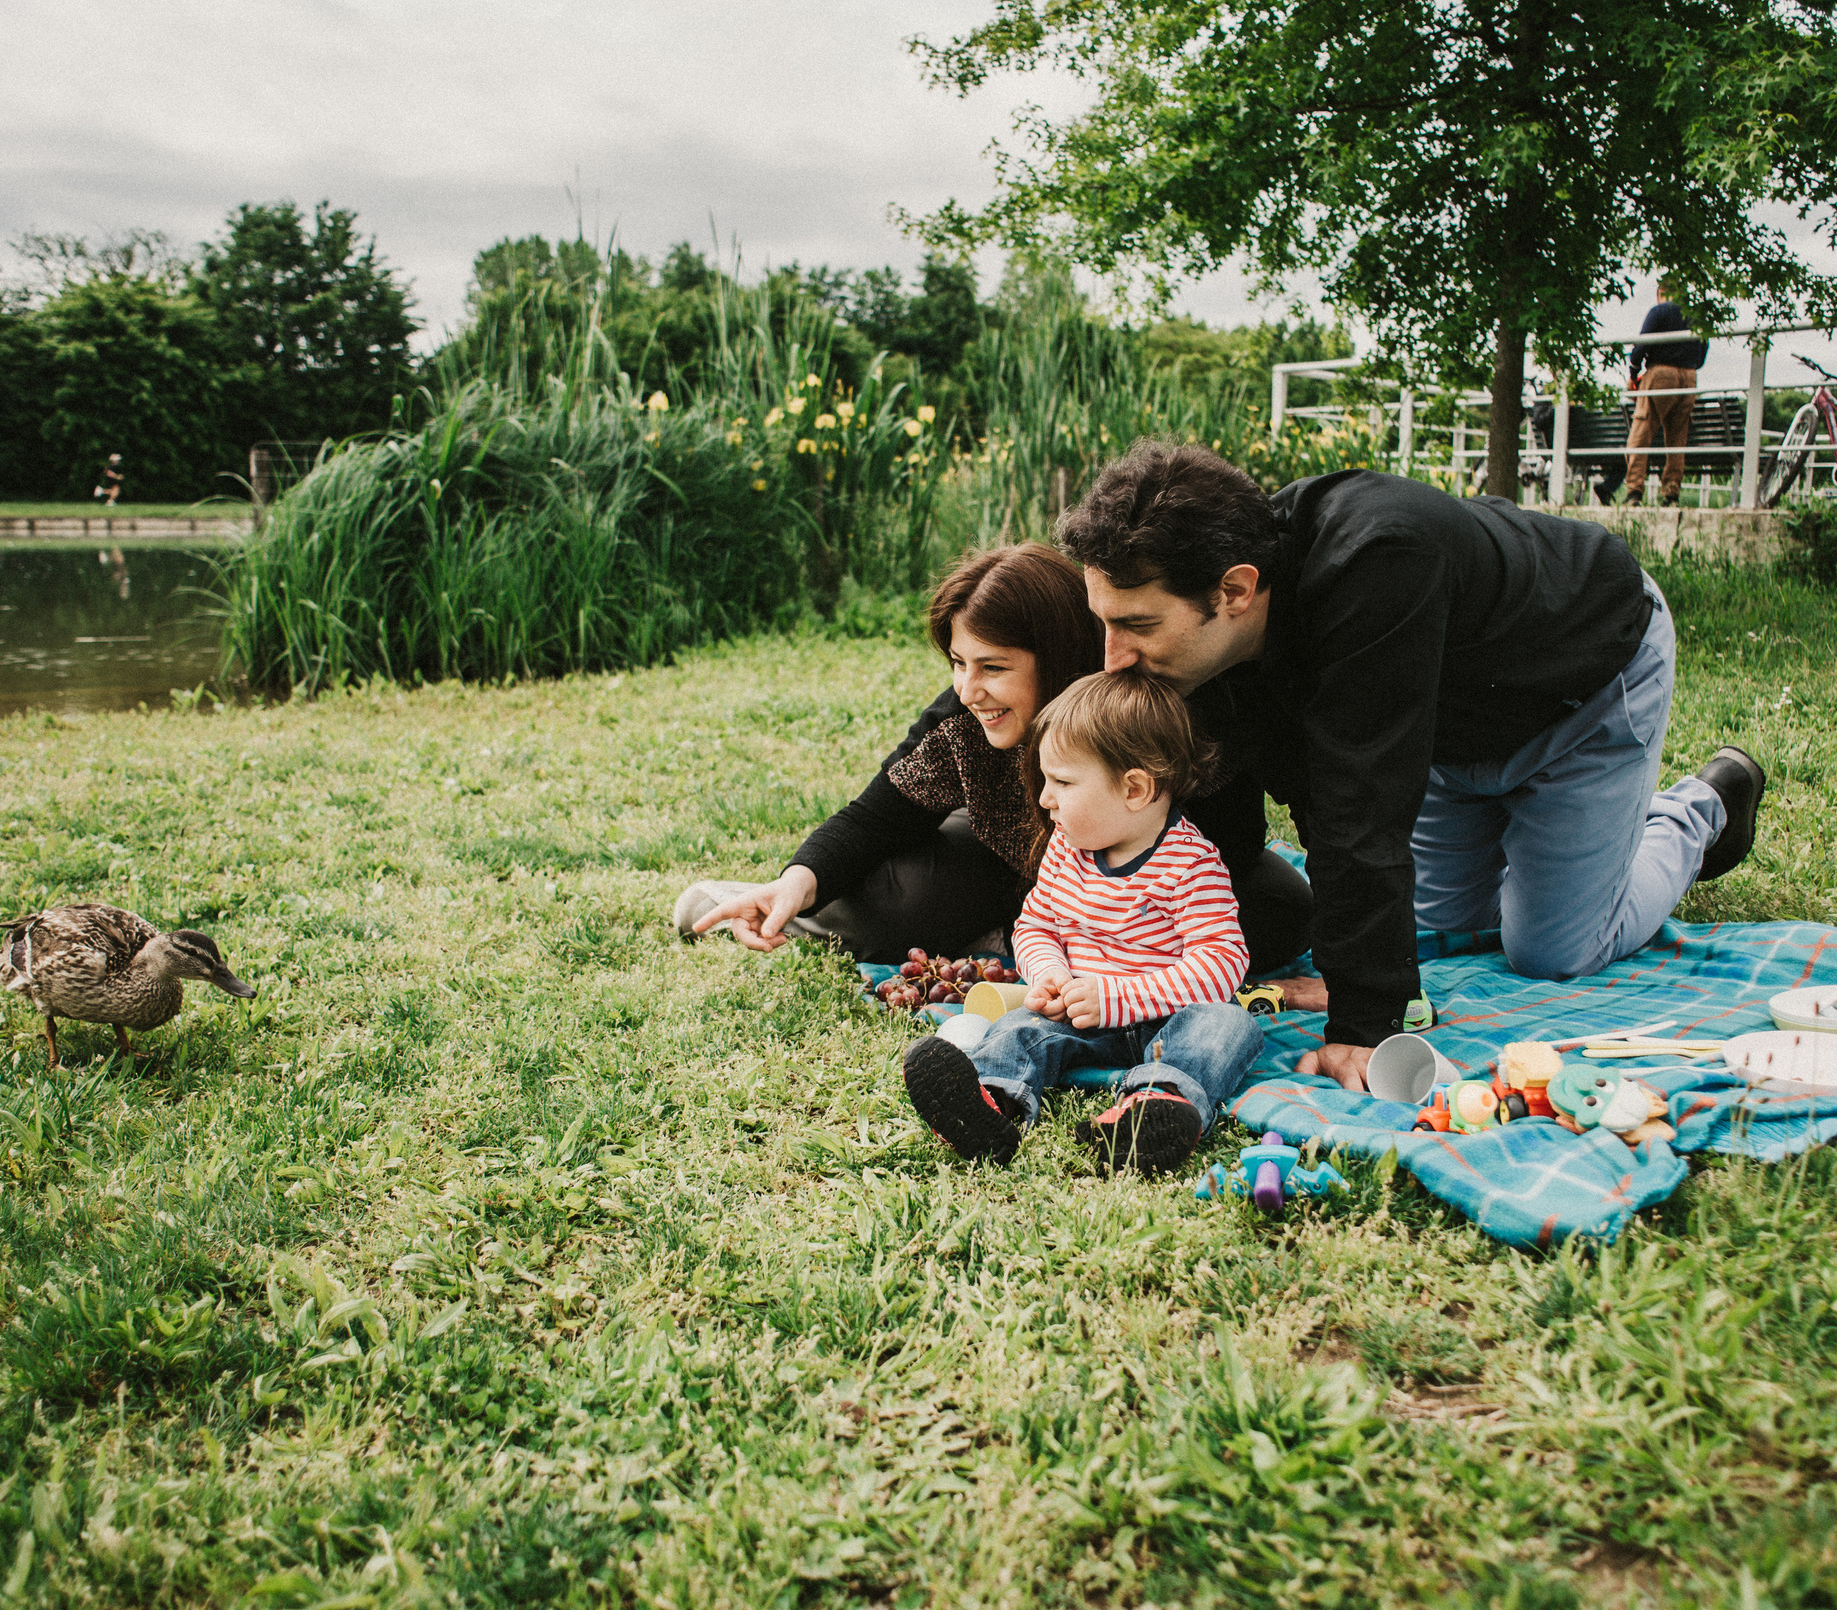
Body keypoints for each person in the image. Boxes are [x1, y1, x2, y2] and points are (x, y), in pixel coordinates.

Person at [1057, 441, 1767, 1095]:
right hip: (1443, 739)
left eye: (1137, 626)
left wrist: (1366, 1026)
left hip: (1578, 689)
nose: (1113, 654)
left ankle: (1704, 807)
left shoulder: (1375, 561)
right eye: (1105, 622)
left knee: (1553, 949)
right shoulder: (1206, 630)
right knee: (1438, 926)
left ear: (1236, 590)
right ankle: (1559, 845)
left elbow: (1356, 806)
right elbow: (1236, 804)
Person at [675, 543, 1313, 971]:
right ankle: (771, 905)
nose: (968, 689)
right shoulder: (962, 720)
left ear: (1057, 657)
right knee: (907, 895)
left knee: (1277, 912)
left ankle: (1016, 940)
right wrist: (797, 879)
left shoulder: (1156, 715)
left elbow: (1236, 839)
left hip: (1143, 892)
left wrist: (1106, 907)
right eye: (958, 662)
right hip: (1002, 866)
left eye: (994, 667)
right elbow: (873, 818)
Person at [898, 670, 1263, 1172]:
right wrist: (1049, 972)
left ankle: (1158, 1106)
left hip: (1168, 1019)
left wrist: (1119, 998)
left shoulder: (1190, 864)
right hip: (1081, 1015)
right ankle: (989, 1104)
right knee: (1020, 1026)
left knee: (1228, 1024)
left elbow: (1223, 961)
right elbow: (1035, 925)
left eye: (1063, 782)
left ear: (1135, 789)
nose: (1045, 798)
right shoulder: (1068, 851)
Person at [1623, 282, 1709, 506]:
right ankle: (1671, 494)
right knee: (1677, 438)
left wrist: (1633, 373)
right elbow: (1702, 353)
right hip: (1690, 377)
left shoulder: (1659, 311)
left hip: (1660, 374)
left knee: (1641, 432)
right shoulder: (1695, 316)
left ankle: (1634, 491)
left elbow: (1640, 346)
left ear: (1660, 293)